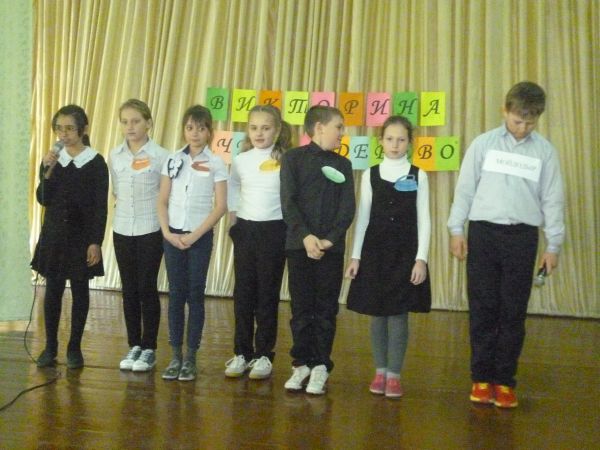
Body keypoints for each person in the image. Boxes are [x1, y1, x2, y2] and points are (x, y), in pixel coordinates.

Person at [447, 81, 565, 408]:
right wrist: (456, 229)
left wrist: (553, 245)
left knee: (513, 311)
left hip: (522, 237)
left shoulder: (545, 152)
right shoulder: (483, 144)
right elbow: (465, 190)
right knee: (483, 308)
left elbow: (553, 200)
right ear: (505, 111)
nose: (522, 128)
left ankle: (504, 381)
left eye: (530, 122)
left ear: (538, 118)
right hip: (483, 234)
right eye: (517, 121)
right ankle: (481, 378)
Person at [345, 115, 431, 398]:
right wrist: (355, 256)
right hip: (375, 252)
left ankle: (394, 374)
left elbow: (424, 220)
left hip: (405, 254)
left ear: (409, 142)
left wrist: (421, 258)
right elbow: (363, 218)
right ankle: (380, 371)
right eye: (390, 139)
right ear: (380, 141)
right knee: (378, 314)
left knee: (398, 314)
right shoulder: (370, 174)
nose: (395, 144)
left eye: (401, 139)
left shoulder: (419, 175)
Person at [280, 105, 355, 395]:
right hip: (299, 246)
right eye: (339, 126)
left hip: (329, 250)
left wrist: (328, 240)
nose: (342, 132)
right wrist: (306, 237)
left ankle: (321, 364)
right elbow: (288, 202)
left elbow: (347, 209)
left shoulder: (343, 165)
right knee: (301, 308)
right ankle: (301, 363)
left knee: (325, 308)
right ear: (320, 127)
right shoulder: (292, 159)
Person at [32, 104, 109, 369]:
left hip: (81, 237)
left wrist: (95, 241)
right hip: (54, 235)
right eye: (59, 129)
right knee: (52, 290)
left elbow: (100, 207)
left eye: (69, 128)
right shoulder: (54, 159)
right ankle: (50, 346)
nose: (63, 134)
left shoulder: (95, 162)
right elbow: (43, 198)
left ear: (83, 129)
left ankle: (74, 347)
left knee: (80, 290)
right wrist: (47, 170)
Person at [157, 105, 227, 382]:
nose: (194, 133)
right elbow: (162, 200)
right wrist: (167, 232)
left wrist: (195, 235)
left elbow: (220, 206)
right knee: (176, 294)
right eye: (189, 128)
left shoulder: (217, 162)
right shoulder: (173, 159)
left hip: (199, 236)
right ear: (183, 130)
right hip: (173, 236)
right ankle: (175, 355)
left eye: (200, 128)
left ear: (209, 131)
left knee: (195, 294)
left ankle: (191, 357)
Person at [224, 105, 292, 379]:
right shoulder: (241, 160)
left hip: (275, 231)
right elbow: (233, 187)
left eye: (265, 128)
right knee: (243, 294)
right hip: (246, 230)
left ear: (277, 130)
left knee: (267, 294)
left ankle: (264, 354)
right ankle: (241, 352)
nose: (259, 133)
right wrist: (233, 218)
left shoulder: (286, 159)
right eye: (254, 128)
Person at [109, 99, 169, 372]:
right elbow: (117, 191)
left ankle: (149, 347)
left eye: (135, 121)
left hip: (150, 229)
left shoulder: (161, 156)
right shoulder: (115, 155)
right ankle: (134, 344)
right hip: (122, 229)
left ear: (148, 123)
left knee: (146, 287)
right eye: (125, 122)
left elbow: (165, 195)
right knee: (129, 289)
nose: (130, 127)